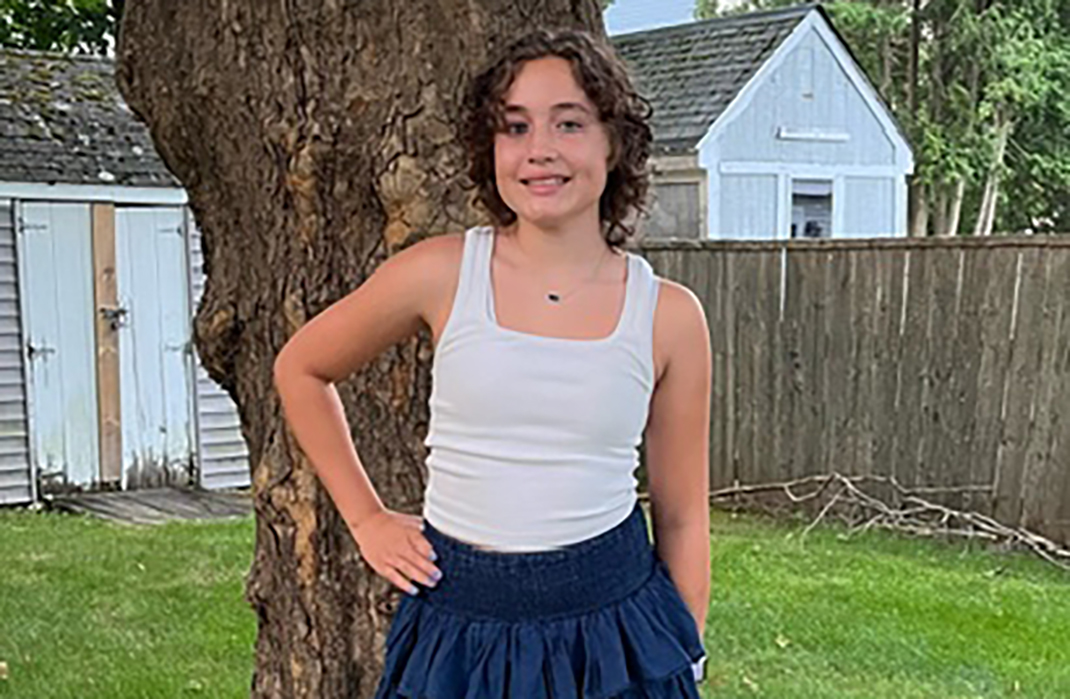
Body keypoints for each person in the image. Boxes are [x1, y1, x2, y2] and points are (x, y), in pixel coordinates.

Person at [274, 27, 712, 697]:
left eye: (569, 123)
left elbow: (682, 517)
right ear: (492, 148)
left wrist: (686, 653)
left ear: (613, 141)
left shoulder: (669, 315)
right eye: (515, 127)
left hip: (615, 632)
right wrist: (365, 518)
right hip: (460, 634)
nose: (540, 149)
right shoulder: (441, 272)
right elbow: (301, 367)